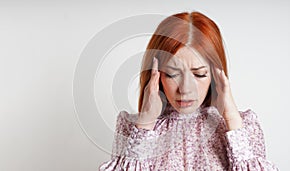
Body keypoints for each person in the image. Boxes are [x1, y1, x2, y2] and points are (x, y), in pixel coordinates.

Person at [99, 11, 279, 170]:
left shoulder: (244, 126)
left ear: (216, 75)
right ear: (156, 74)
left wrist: (231, 118)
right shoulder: (131, 127)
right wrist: (145, 124)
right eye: (172, 74)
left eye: (199, 74)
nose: (185, 89)